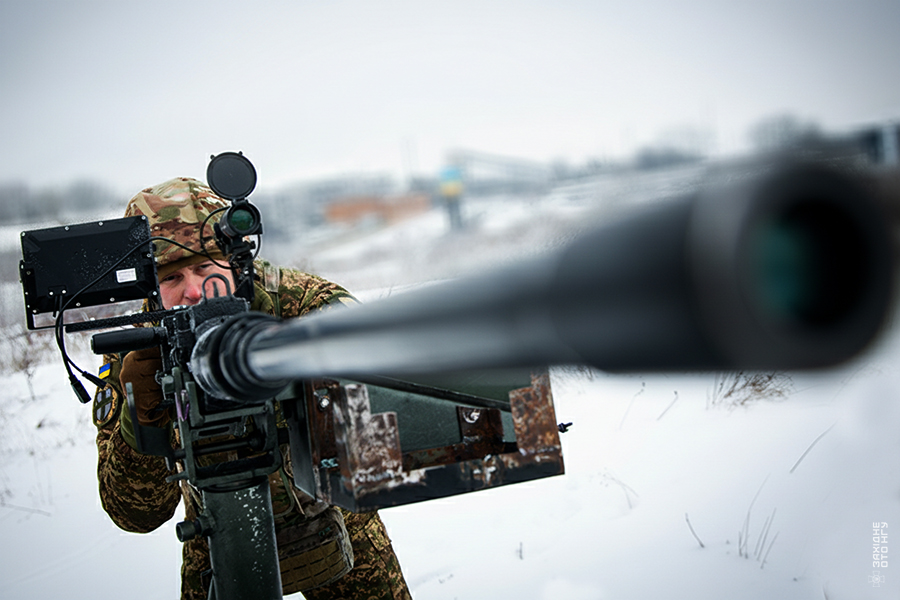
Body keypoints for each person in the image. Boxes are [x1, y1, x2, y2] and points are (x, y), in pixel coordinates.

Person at [91, 177, 411, 600]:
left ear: (232, 261)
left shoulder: (299, 306)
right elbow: (133, 513)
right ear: (149, 286)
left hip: (335, 517)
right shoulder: (138, 352)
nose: (192, 291)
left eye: (205, 267)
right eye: (172, 278)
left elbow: (392, 424)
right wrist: (141, 415)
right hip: (216, 535)